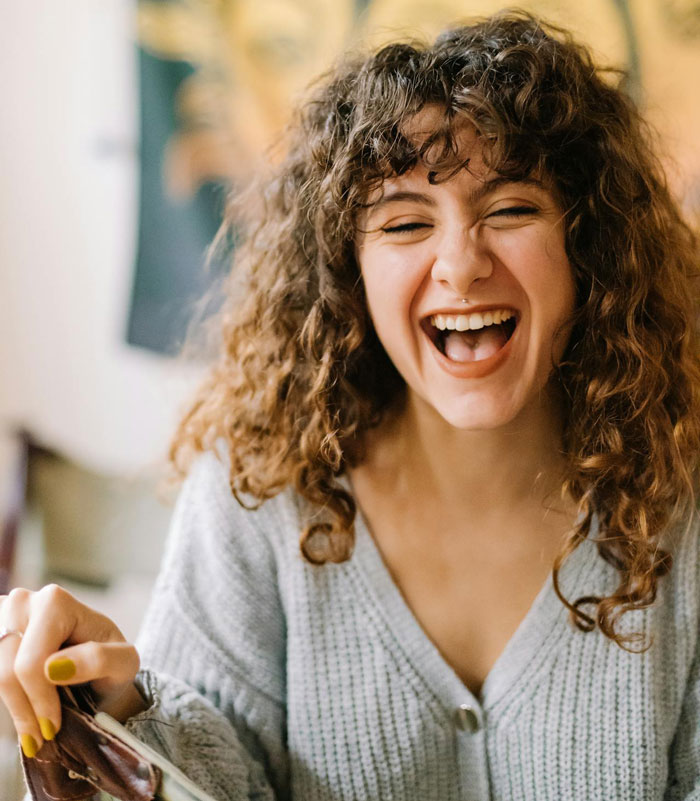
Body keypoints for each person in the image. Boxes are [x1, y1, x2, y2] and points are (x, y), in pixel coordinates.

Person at [2, 10, 699, 801]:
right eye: (405, 222)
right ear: (349, 276)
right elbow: (208, 777)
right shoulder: (258, 491)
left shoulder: (684, 491)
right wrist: (119, 715)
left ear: (588, 247)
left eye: (509, 209)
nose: (461, 265)